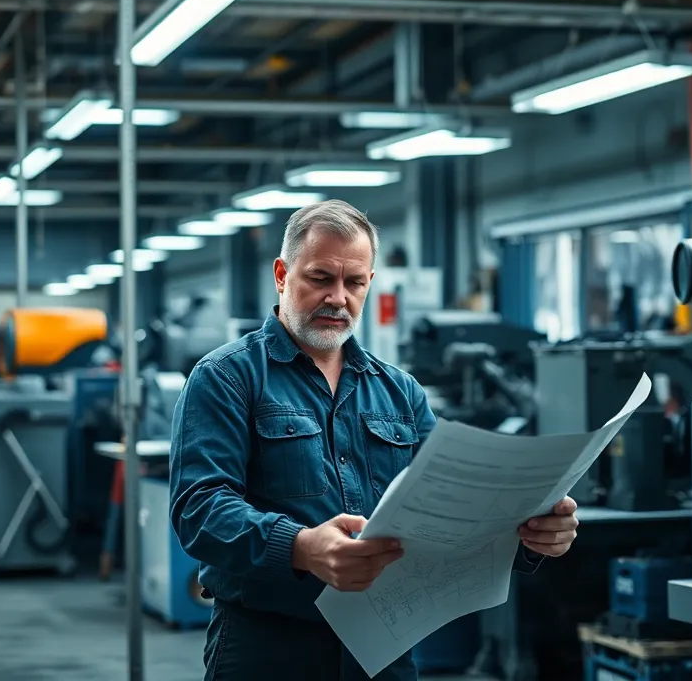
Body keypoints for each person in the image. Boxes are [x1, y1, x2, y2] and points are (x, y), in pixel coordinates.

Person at [169, 200, 579, 680]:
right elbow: (199, 508)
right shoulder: (226, 377)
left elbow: (452, 505)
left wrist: (529, 533)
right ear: (282, 275)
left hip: (385, 648)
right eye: (320, 278)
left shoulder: (400, 391)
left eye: (354, 282)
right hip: (267, 647)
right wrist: (301, 547)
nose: (338, 298)